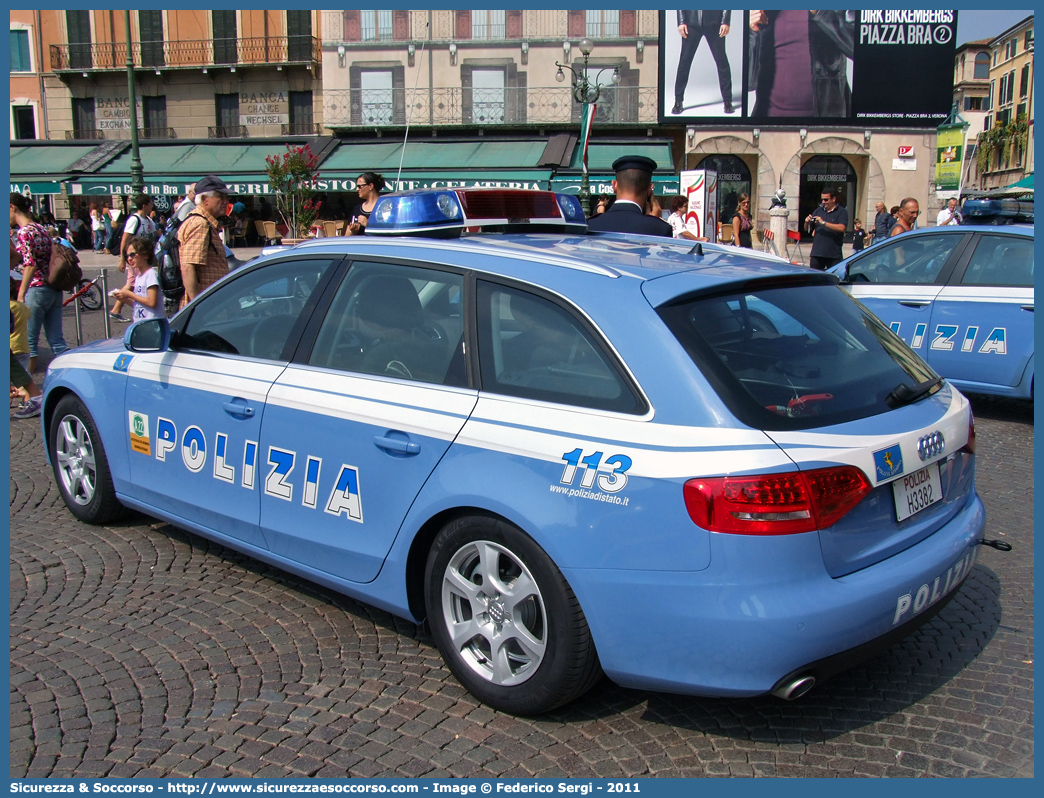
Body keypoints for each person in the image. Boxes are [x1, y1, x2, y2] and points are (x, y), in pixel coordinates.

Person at [748, 10, 854, 117]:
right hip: (770, 123)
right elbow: (749, 83)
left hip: (825, 121)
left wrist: (821, 12)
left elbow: (859, 51)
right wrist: (752, 33)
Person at [11, 193, 69, 374]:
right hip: (53, 288)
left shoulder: (24, 232)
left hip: (35, 290)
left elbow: (29, 264)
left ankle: (29, 392)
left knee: (29, 344)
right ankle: (71, 373)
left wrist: (21, 295)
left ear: (12, 207)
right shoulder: (41, 228)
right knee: (57, 341)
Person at [586, 156, 673, 237]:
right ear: (649, 190)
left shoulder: (590, 224)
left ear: (614, 185)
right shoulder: (661, 228)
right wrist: (654, 222)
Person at [178, 175, 231, 308]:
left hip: (211, 303)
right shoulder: (200, 224)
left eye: (226, 197)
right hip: (206, 307)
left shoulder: (206, 222)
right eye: (220, 197)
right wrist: (197, 306)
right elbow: (188, 267)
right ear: (204, 199)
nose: (226, 201)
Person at [673, 10, 734, 115]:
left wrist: (725, 21)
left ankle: (728, 101)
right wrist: (681, 21)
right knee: (684, 63)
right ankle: (678, 101)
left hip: (714, 22)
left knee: (722, 62)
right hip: (691, 22)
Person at [109, 194, 156, 322]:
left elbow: (156, 232)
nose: (152, 206)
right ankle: (117, 306)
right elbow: (125, 239)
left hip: (142, 256)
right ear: (144, 205)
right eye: (150, 203)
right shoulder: (134, 220)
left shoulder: (147, 220)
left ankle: (116, 309)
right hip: (134, 257)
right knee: (131, 284)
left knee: (131, 283)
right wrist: (123, 259)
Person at [111, 237, 163, 323]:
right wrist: (124, 299)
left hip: (152, 324)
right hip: (141, 323)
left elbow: (152, 302)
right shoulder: (139, 277)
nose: (129, 259)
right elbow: (139, 305)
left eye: (133, 254)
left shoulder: (151, 274)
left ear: (146, 255)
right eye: (127, 256)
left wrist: (129, 294)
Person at [804, 187, 848, 270]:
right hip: (817, 253)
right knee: (815, 278)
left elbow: (842, 228)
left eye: (826, 200)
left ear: (834, 199)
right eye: (822, 200)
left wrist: (823, 223)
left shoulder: (842, 212)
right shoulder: (818, 211)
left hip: (833, 254)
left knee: (833, 278)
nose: (823, 202)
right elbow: (807, 229)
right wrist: (806, 222)